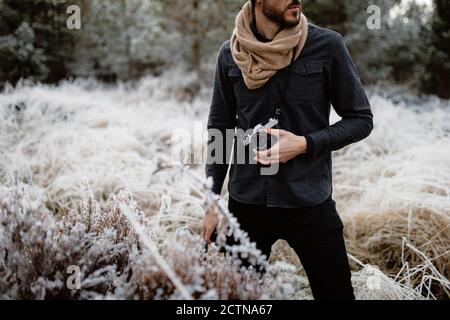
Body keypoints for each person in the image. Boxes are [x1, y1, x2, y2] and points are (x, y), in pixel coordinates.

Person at [203, 0, 373, 300]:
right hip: (247, 202)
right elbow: (220, 129)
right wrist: (212, 201)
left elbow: (361, 120)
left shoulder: (327, 45)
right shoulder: (230, 54)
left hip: (310, 201)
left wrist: (305, 144)